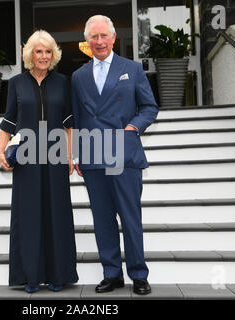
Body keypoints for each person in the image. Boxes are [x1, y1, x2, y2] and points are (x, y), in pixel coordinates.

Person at [71, 15, 159, 295]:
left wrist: (134, 127)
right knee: (102, 218)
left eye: (103, 36)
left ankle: (138, 274)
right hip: (94, 155)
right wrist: (77, 154)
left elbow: (149, 107)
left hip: (124, 153)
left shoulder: (132, 69)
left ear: (113, 38)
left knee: (130, 216)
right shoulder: (78, 76)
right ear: (87, 42)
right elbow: (77, 117)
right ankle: (112, 274)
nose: (99, 42)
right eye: (93, 37)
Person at [0, 30, 78, 293]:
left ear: (53, 55)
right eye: (38, 51)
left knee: (57, 213)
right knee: (29, 214)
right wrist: (0, 150)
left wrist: (69, 155)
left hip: (55, 156)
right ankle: (30, 276)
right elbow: (9, 119)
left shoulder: (63, 82)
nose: (43, 56)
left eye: (48, 51)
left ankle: (57, 275)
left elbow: (68, 122)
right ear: (30, 54)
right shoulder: (17, 83)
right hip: (27, 156)